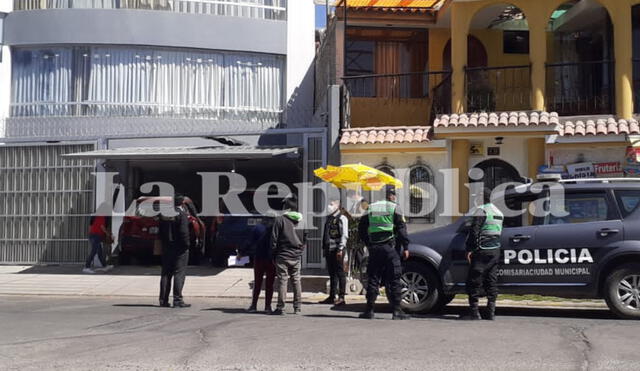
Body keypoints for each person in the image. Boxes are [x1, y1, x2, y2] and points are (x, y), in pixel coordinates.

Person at [358, 187, 411, 320]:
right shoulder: (395, 208)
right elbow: (402, 229)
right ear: (391, 196)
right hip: (390, 248)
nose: (394, 197)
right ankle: (397, 311)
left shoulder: (371, 207)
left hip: (374, 248)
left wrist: (368, 243)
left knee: (373, 278)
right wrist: (406, 247)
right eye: (393, 195)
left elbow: (362, 228)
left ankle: (369, 310)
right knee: (394, 278)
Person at [460, 188, 504, 321]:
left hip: (481, 251)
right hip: (495, 250)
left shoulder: (481, 211)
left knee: (474, 281)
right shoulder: (498, 212)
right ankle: (491, 312)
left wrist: (469, 249)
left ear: (481, 198)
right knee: (491, 281)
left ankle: (474, 313)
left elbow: (474, 231)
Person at [271, 195, 306, 315]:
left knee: (282, 281)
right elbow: (305, 239)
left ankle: (281, 307)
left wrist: (273, 255)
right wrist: (300, 251)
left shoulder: (279, 220)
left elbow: (274, 240)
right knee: (296, 280)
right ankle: (298, 307)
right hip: (296, 256)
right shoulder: (302, 221)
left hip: (283, 255)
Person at [158, 195, 192, 308]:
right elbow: (184, 232)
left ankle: (163, 300)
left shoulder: (164, 214)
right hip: (179, 248)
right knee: (179, 273)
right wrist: (187, 245)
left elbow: (160, 231)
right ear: (182, 203)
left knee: (166, 273)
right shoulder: (181, 214)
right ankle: (177, 300)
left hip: (167, 247)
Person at [238, 218, 275, 314]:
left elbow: (249, 242)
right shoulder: (276, 229)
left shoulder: (257, 228)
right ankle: (268, 307)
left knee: (257, 282)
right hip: (271, 259)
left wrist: (241, 253)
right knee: (269, 284)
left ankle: (254, 305)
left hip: (259, 258)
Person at [319, 199, 349, 306]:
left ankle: (341, 297)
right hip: (329, 249)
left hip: (337, 250)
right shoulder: (329, 218)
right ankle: (332, 296)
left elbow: (344, 235)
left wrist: (341, 248)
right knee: (332, 273)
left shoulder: (342, 218)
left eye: (331, 204)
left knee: (340, 273)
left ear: (337, 206)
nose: (329, 206)